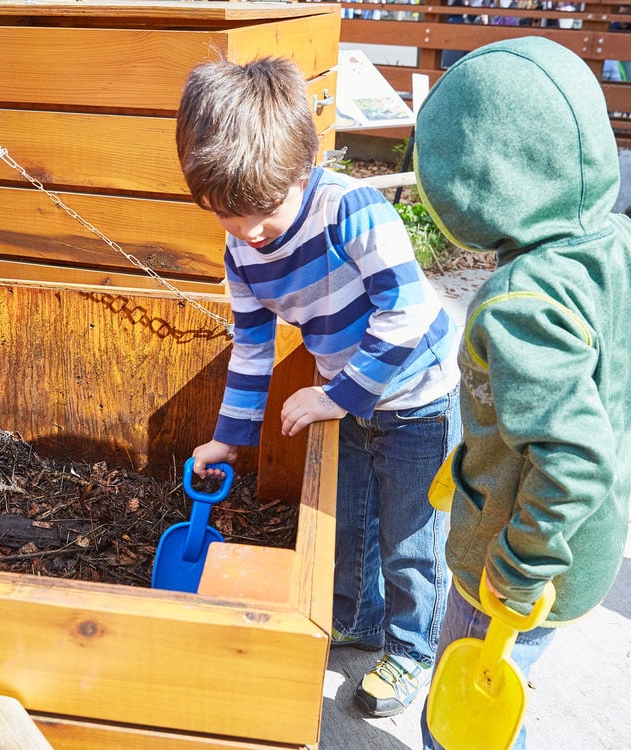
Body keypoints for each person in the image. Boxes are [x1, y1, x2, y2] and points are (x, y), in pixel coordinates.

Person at [411, 37, 631, 747]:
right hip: (589, 546)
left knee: (463, 717)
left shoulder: (519, 301)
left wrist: (516, 574)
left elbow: (572, 460)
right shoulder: (622, 241)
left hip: (514, 560)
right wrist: (607, 384)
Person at [176, 57, 462, 718]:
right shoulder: (242, 250)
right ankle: (357, 620)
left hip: (415, 395)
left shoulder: (349, 210)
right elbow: (251, 345)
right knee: (350, 520)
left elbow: (407, 314)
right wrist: (227, 441)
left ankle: (412, 650)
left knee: (409, 536)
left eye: (259, 211)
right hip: (349, 395)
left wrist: (337, 398)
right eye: (222, 213)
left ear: (299, 169)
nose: (246, 230)